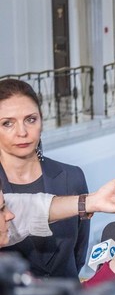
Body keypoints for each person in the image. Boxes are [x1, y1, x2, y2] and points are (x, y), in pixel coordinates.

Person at [0, 79, 90, 279]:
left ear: (41, 120)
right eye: (7, 123)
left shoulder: (72, 177)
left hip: (68, 294)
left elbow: (78, 254)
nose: (22, 132)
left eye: (30, 119)